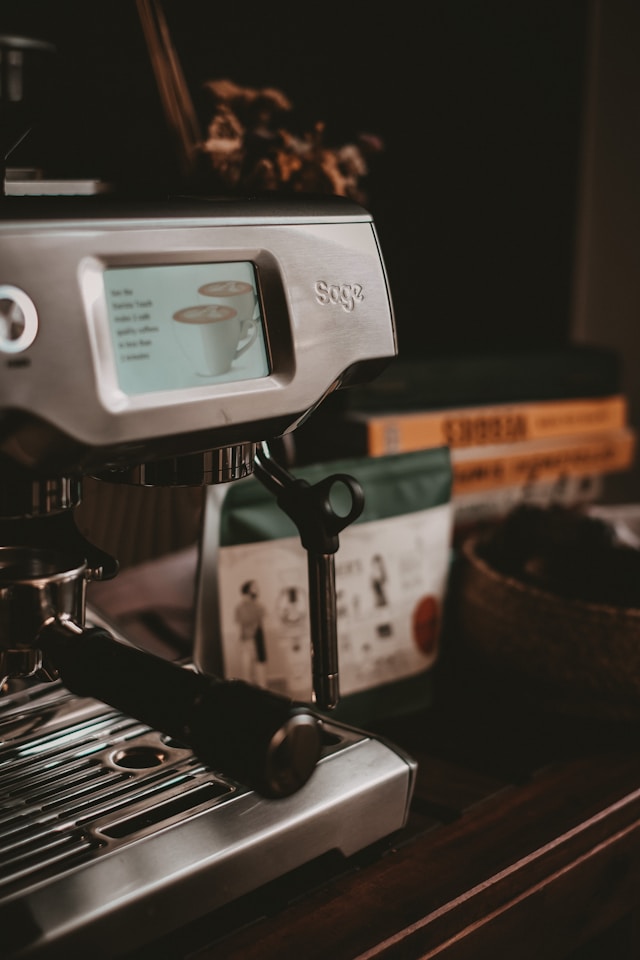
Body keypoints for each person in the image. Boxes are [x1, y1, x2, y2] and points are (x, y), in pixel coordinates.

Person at [234, 579, 267, 686]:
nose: (257, 590)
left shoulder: (258, 606)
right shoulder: (241, 608)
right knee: (247, 669)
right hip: (246, 641)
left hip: (257, 639)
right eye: (254, 588)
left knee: (260, 668)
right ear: (247, 590)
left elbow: (261, 617)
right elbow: (241, 623)